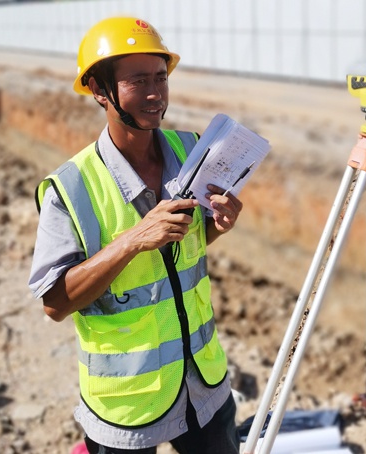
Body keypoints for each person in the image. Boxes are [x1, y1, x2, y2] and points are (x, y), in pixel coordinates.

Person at [28, 16, 242, 454]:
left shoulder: (190, 150)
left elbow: (182, 248)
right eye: (138, 80)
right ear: (99, 90)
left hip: (203, 382)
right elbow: (55, 303)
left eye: (160, 78)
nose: (154, 94)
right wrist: (132, 239)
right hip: (127, 406)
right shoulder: (70, 189)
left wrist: (215, 226)